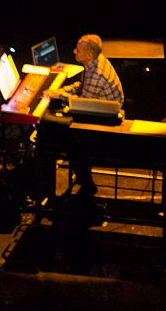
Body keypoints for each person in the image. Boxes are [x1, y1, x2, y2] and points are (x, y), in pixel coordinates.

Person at [43, 33, 125, 197]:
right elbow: (82, 87)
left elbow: (83, 103)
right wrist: (60, 92)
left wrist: (57, 95)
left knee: (65, 141)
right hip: (100, 109)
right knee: (57, 124)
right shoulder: (95, 61)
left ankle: (86, 185)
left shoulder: (97, 73)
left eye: (78, 50)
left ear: (88, 54)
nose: (74, 51)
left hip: (106, 121)